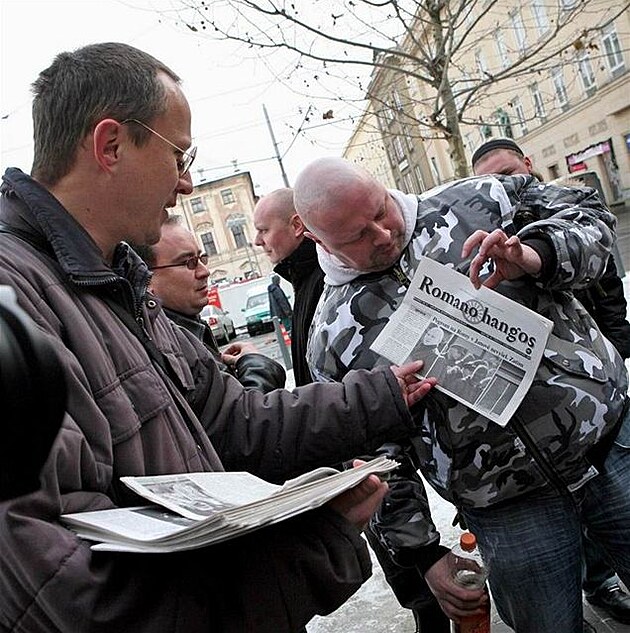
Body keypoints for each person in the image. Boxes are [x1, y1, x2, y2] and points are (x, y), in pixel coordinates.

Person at [0, 43, 439, 633]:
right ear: (109, 145)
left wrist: (380, 395)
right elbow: (63, 593)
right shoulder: (17, 301)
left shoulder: (116, 282)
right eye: (179, 153)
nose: (185, 182)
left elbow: (232, 422)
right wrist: (310, 549)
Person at [294, 156, 630, 633]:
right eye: (357, 236)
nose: (383, 234)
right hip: (509, 511)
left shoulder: (482, 200)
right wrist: (424, 553)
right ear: (315, 239)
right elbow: (370, 457)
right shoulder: (332, 333)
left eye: (381, 210)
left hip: (612, 445)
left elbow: (592, 218)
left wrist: (535, 255)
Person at [473, 137, 630, 626]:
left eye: (508, 171)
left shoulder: (565, 225)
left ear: (527, 165)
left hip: (601, 386)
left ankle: (601, 579)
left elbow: (607, 286)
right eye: (492, 179)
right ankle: (589, 580)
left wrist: (618, 350)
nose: (505, 182)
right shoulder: (492, 240)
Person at [137, 215, 286, 394]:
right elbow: (245, 417)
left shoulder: (187, 331)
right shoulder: (167, 349)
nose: (204, 271)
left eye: (202, 258)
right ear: (147, 277)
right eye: (188, 263)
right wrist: (256, 363)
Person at [253, 187, 325, 386]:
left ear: (296, 225)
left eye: (264, 230)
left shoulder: (324, 279)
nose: (257, 241)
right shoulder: (305, 276)